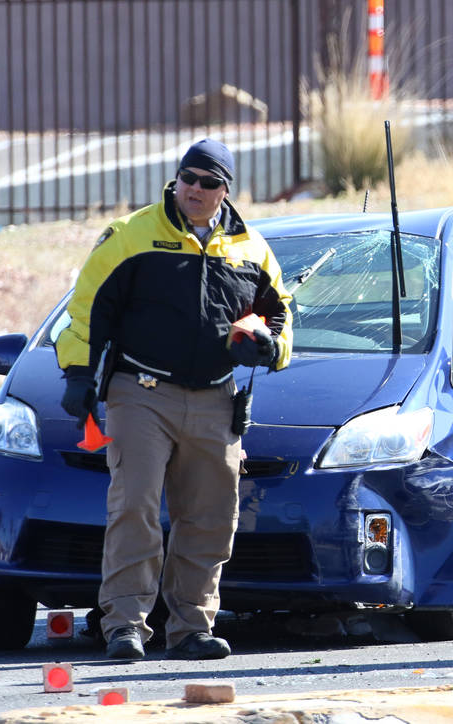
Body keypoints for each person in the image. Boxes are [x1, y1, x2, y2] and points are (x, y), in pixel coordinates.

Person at [55, 138, 293, 660]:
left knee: (212, 517)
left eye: (208, 182)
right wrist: (78, 374)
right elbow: (87, 310)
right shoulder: (131, 234)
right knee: (134, 507)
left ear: (226, 190)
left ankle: (191, 630)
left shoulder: (251, 247)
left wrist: (269, 346)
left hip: (216, 399)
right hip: (141, 393)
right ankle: (124, 626)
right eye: (188, 178)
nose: (195, 189)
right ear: (177, 178)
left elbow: (280, 314)